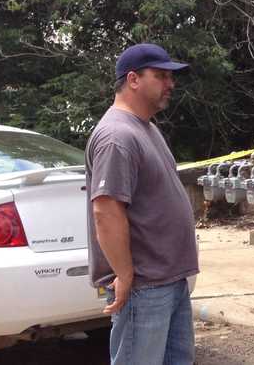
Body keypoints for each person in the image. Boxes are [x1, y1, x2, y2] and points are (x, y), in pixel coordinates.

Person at [86, 43, 200, 365]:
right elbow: (106, 212)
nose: (170, 84)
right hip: (144, 286)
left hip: (168, 281)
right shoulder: (116, 136)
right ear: (133, 79)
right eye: (161, 76)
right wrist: (124, 276)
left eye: (170, 77)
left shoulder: (145, 129)